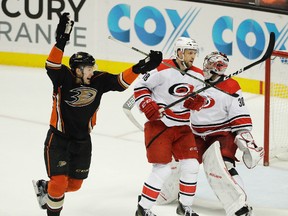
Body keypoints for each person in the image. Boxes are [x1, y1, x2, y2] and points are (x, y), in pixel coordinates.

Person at [32, 12, 162, 216]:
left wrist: (139, 67)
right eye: (89, 68)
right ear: (77, 70)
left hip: (83, 141)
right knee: (59, 184)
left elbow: (120, 83)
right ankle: (52, 195)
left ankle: (45, 188)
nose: (92, 71)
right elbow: (51, 64)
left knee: (74, 186)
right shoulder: (62, 77)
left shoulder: (98, 81)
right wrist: (61, 41)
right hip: (58, 139)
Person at [156, 51, 264, 216]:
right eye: (206, 63)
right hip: (196, 133)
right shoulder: (195, 80)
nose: (205, 67)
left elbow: (240, 117)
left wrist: (247, 142)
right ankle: (165, 193)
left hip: (221, 134)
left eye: (211, 65)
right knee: (180, 161)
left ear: (218, 69)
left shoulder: (231, 87)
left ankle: (239, 205)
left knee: (222, 166)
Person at [133, 37, 207, 216]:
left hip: (182, 127)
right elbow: (140, 88)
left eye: (194, 53)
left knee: (191, 166)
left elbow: (200, 100)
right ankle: (143, 209)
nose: (193, 57)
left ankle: (185, 207)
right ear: (179, 52)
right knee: (163, 169)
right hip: (160, 125)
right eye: (190, 53)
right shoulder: (160, 68)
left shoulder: (197, 74)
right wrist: (148, 105)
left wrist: (197, 102)